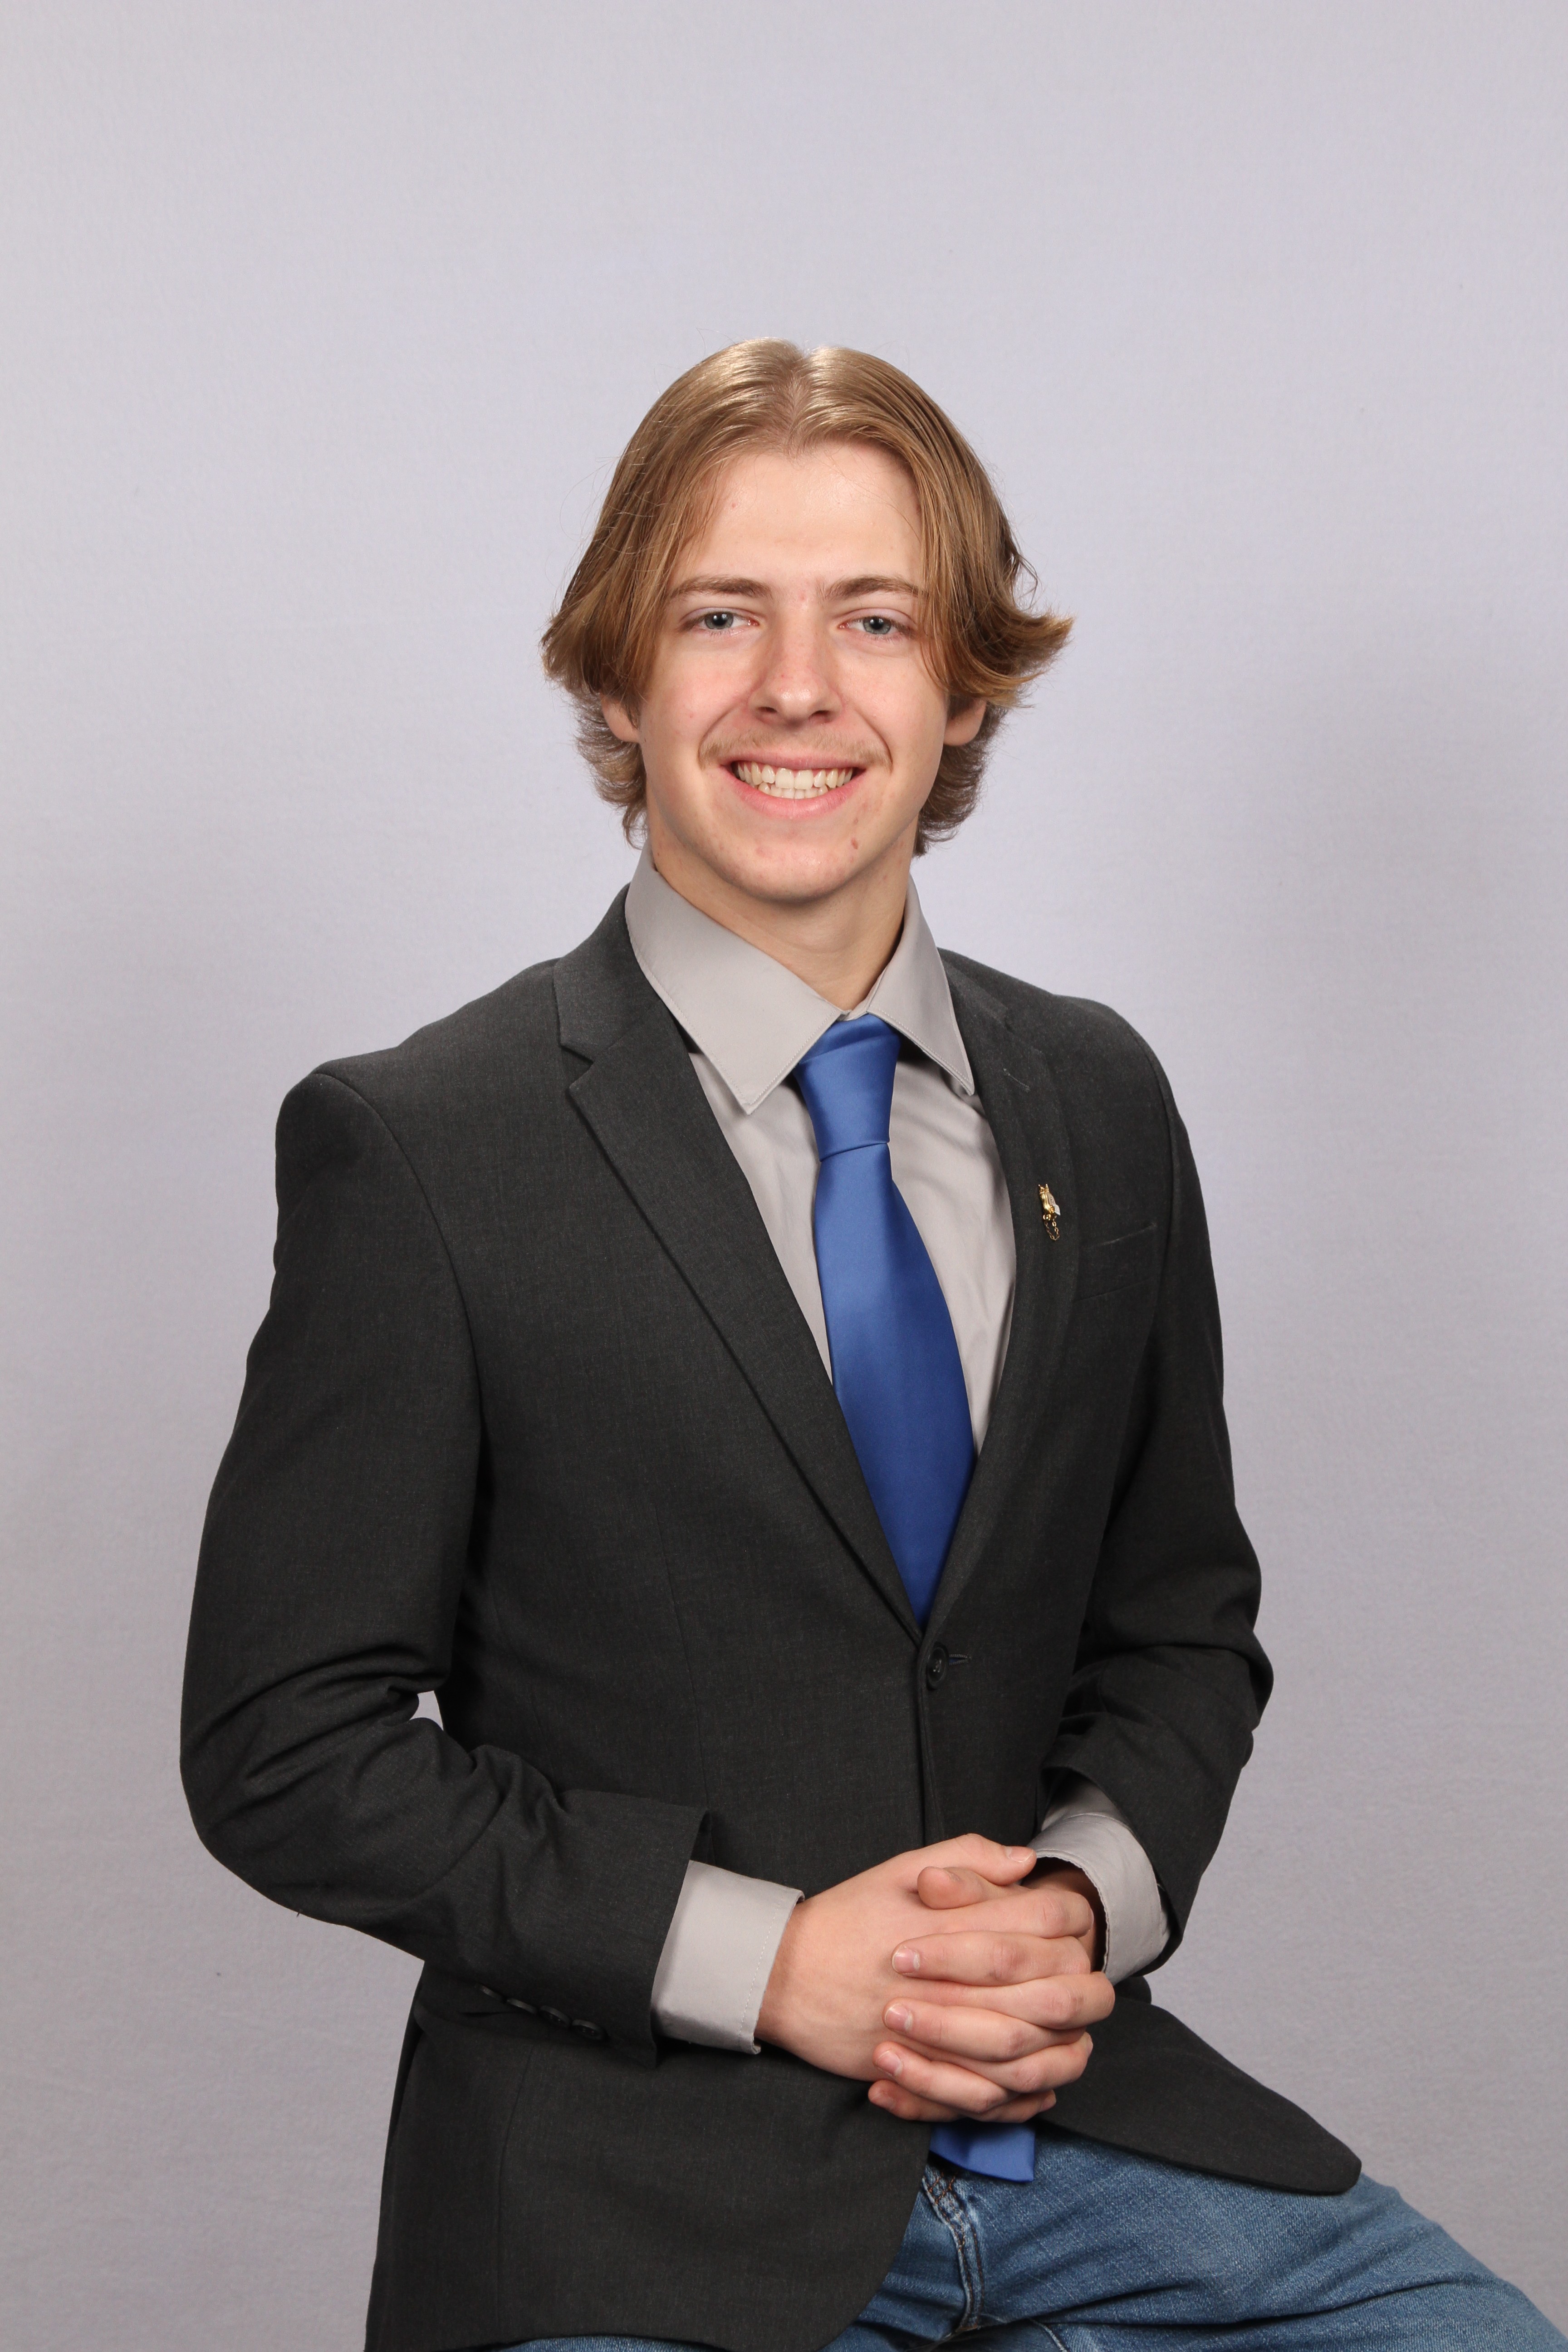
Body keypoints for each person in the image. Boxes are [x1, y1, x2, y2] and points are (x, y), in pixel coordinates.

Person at [181, 341, 1563, 2352]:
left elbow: (1181, 1623)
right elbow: (284, 1748)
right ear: (615, 678)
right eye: (718, 615)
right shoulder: (423, 1146)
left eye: (878, 621)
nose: (797, 687)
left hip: (1080, 2128)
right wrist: (767, 1961)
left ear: (965, 687)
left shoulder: (1100, 1099)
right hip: (629, 2190)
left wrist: (1071, 1914)